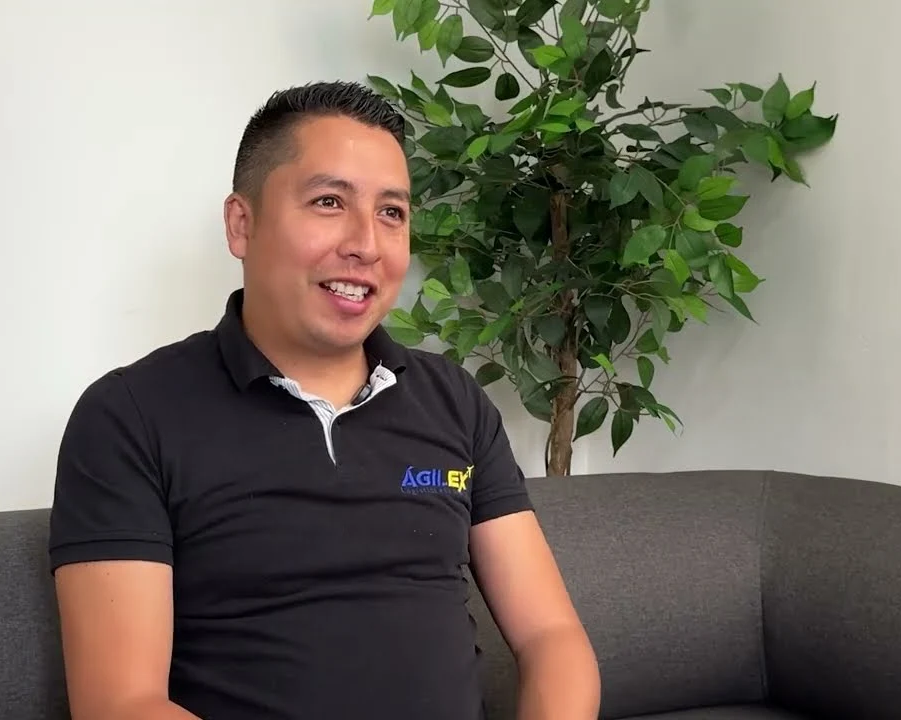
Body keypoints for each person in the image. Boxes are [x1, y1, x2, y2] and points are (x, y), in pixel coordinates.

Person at [47, 80, 600, 720]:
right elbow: (120, 702)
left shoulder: (453, 401)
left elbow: (551, 636)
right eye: (329, 202)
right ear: (242, 224)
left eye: (391, 213)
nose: (366, 243)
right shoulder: (130, 415)